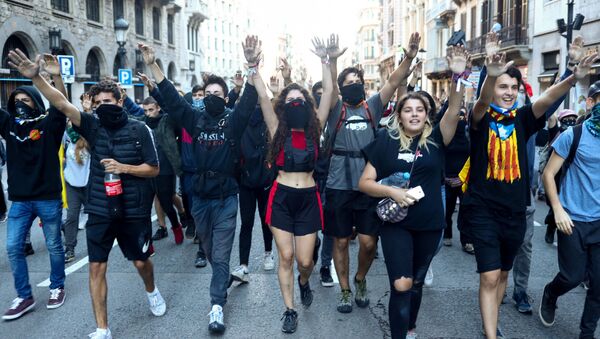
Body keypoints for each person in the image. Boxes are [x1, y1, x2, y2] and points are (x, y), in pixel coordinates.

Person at [8, 50, 168, 338]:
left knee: (142, 262)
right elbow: (61, 103)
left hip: (133, 210)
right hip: (101, 208)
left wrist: (124, 168)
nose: (104, 106)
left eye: (109, 101)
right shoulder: (92, 125)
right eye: (98, 103)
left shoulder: (141, 129)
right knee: (96, 267)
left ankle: (151, 289)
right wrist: (39, 78)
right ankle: (102, 328)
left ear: (120, 101)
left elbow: (154, 169)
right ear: (93, 106)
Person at [461, 30, 597, 337]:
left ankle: (491, 322)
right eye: (502, 86)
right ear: (493, 88)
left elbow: (548, 100)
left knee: (504, 274)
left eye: (513, 87)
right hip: (483, 211)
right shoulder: (480, 120)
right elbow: (481, 103)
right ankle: (492, 334)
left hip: (516, 214)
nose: (508, 91)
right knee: (490, 276)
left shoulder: (522, 118)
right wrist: (489, 74)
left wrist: (573, 77)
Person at [141, 35, 260, 334]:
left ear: (224, 96)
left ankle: (216, 306)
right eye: (208, 91)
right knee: (209, 251)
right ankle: (222, 277)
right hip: (200, 199)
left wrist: (251, 65)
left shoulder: (233, 120)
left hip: (227, 198)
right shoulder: (193, 119)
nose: (212, 96)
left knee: (220, 255)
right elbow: (169, 96)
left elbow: (249, 99)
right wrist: (154, 64)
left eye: (218, 92)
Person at [358, 45, 468, 339]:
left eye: (420, 109)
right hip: (396, 224)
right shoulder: (385, 140)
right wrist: (392, 192)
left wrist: (458, 76)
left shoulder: (436, 139)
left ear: (427, 114)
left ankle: (409, 326)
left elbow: (455, 110)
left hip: (430, 224)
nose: (414, 113)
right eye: (408, 109)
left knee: (416, 282)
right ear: (400, 114)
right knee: (402, 284)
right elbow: (365, 183)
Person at [250, 36, 333, 333]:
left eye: (300, 99)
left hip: (309, 198)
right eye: (290, 100)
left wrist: (326, 60)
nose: (295, 103)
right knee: (285, 256)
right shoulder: (277, 128)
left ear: (307, 104)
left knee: (305, 261)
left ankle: (304, 281)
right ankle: (289, 309)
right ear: (283, 106)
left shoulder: (315, 126)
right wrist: (253, 66)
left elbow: (329, 93)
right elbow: (262, 96)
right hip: (281, 196)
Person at [1, 54, 67, 320]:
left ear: (36, 103)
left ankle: (57, 286)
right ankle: (24, 295)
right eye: (15, 101)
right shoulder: (9, 126)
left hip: (48, 197)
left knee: (53, 245)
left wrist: (55, 78)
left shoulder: (49, 124)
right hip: (20, 200)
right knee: (13, 247)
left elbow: (61, 104)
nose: (20, 104)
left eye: (25, 100)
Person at [539, 75, 600, 339]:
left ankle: (586, 334)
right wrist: (558, 209)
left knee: (599, 285)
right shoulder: (572, 135)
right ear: (590, 102)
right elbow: (548, 174)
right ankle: (551, 293)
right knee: (573, 276)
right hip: (572, 218)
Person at [140, 96, 184, 245]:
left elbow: (172, 108)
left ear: (158, 108)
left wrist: (155, 90)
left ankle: (177, 225)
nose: (148, 113)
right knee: (145, 205)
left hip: (165, 168)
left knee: (167, 201)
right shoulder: (142, 122)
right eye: (145, 110)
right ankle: (150, 241)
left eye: (151, 109)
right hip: (146, 168)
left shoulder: (166, 120)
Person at [440, 106, 472, 253]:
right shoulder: (445, 137)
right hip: (447, 179)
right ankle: (447, 234)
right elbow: (439, 156)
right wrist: (444, 177)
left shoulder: (470, 136)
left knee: (466, 210)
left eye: (462, 116)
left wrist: (463, 178)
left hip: (464, 181)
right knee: (448, 209)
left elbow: (473, 159)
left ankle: (466, 240)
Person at [62, 120, 91, 263]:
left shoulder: (90, 139)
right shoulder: (66, 140)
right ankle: (69, 249)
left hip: (88, 185)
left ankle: (96, 245)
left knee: (95, 217)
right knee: (72, 217)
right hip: (72, 185)